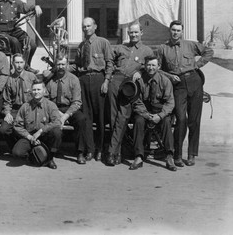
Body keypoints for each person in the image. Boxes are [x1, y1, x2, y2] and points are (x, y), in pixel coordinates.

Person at [156, 20, 213, 167]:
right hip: (178, 85)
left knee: (194, 120)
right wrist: (169, 76)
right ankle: (178, 155)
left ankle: (192, 154)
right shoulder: (163, 48)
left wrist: (197, 65)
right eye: (173, 30)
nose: (175, 33)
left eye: (178, 30)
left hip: (194, 81)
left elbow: (208, 52)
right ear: (170, 31)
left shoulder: (190, 45)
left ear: (182, 32)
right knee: (181, 119)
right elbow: (157, 68)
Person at [106, 22, 154, 166]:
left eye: (136, 32)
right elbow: (109, 61)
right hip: (115, 81)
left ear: (141, 32)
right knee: (114, 118)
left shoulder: (147, 50)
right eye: (131, 33)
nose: (133, 35)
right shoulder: (121, 47)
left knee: (122, 117)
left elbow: (153, 67)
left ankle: (112, 152)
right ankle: (118, 153)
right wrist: (109, 77)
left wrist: (141, 71)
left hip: (130, 86)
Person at [71, 17, 114, 162]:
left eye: (89, 26)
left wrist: (106, 81)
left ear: (95, 27)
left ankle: (100, 149)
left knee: (101, 117)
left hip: (98, 80)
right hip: (83, 80)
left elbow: (109, 63)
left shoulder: (103, 42)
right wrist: (62, 67)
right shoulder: (81, 46)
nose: (86, 29)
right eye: (84, 27)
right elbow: (77, 66)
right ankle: (90, 149)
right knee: (87, 117)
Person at [129, 55, 177, 172]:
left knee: (166, 121)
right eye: (148, 65)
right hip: (145, 111)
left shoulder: (165, 81)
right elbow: (136, 101)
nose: (150, 68)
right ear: (145, 66)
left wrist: (159, 116)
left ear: (158, 66)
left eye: (153, 65)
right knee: (138, 121)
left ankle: (169, 156)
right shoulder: (139, 81)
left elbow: (170, 103)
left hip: (160, 111)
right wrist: (146, 115)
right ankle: (138, 157)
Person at [45, 56, 89, 164]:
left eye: (63, 64)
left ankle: (80, 152)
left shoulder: (73, 79)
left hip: (69, 108)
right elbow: (46, 99)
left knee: (81, 119)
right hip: (54, 108)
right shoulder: (50, 80)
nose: (60, 67)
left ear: (67, 65)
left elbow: (77, 102)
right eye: (58, 64)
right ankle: (51, 150)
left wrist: (65, 116)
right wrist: (57, 112)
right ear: (55, 65)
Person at [13, 80, 62, 169]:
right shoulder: (25, 106)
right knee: (17, 152)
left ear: (44, 90)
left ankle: (50, 158)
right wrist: (30, 137)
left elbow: (57, 122)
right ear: (31, 91)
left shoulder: (50, 105)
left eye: (39, 89)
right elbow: (17, 126)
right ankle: (32, 155)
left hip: (45, 136)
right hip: (30, 136)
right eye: (34, 90)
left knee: (57, 132)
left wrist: (41, 131)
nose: (36, 92)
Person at [0, 53, 37, 152]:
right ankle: (14, 147)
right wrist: (7, 113)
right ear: (12, 63)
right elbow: (6, 100)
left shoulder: (32, 77)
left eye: (21, 62)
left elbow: (39, 95)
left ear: (25, 63)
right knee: (4, 129)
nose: (19, 65)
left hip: (30, 108)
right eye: (16, 62)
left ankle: (33, 148)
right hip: (15, 110)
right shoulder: (10, 79)